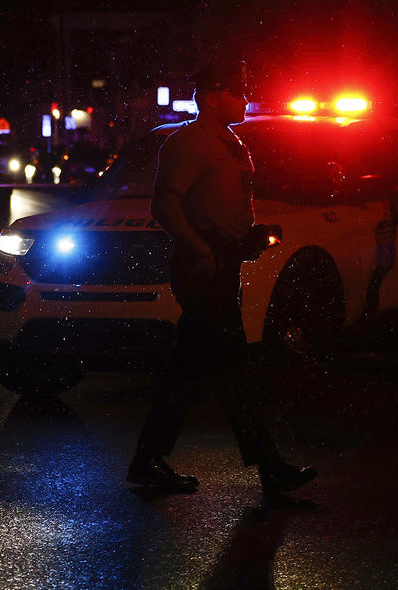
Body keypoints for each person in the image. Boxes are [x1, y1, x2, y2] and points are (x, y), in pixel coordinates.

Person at [126, 64, 317, 494]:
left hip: (220, 263)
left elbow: (222, 202)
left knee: (194, 365)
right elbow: (164, 204)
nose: (245, 98)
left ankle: (148, 460)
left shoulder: (230, 142)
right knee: (227, 364)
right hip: (203, 269)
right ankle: (268, 466)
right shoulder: (190, 142)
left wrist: (246, 238)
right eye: (237, 91)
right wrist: (202, 248)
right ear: (212, 97)